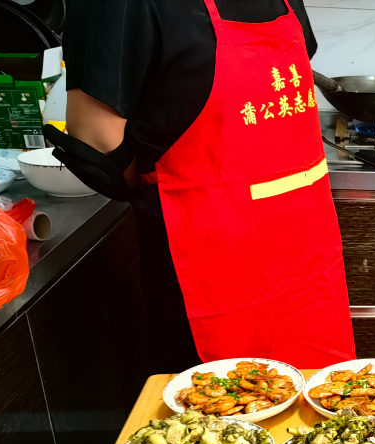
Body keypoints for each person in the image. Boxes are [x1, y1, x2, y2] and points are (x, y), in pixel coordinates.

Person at [51, 0, 356, 372]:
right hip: (211, 257)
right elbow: (96, 135)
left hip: (304, 252)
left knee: (320, 392)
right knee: (221, 396)